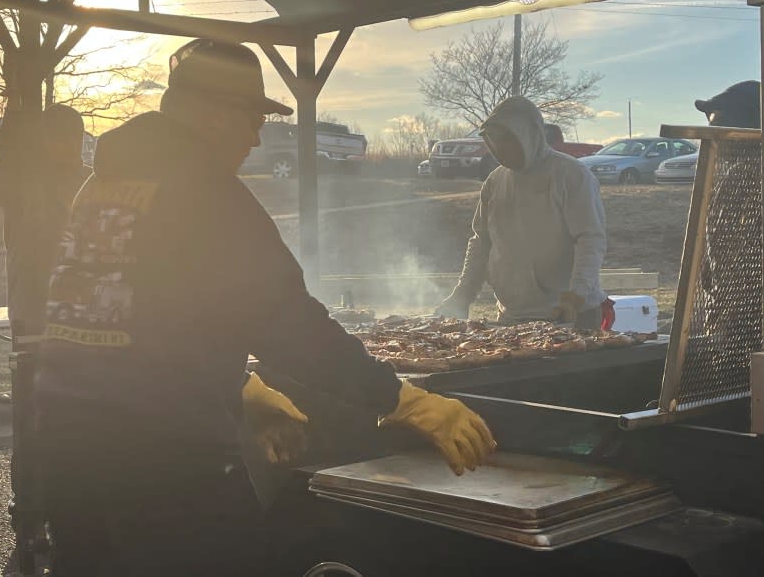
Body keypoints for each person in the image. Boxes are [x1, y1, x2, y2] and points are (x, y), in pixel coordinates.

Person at [34, 38, 496, 576]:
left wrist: (242, 389)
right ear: (209, 112)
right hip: (159, 462)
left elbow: (132, 309)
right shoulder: (205, 192)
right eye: (250, 117)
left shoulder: (104, 183)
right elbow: (287, 322)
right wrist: (401, 400)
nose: (257, 137)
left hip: (68, 448)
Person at [437, 96, 610, 329]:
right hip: (513, 317)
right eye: (493, 141)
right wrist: (462, 295)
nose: (499, 149)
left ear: (529, 135)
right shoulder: (495, 182)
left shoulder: (572, 175)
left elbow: (590, 239)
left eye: (507, 140)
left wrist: (576, 296)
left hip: (571, 316)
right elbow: (481, 243)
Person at [0, 103, 91, 339]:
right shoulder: (24, 186)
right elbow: (8, 151)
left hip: (84, 310)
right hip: (33, 311)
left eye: (74, 136)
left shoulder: (94, 181)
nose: (68, 144)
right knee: (31, 372)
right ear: (43, 141)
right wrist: (15, 107)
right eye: (59, 137)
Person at [695, 80, 761, 347]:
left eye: (718, 129)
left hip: (745, 327)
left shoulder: (745, 177)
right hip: (731, 320)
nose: (713, 140)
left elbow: (732, 261)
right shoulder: (732, 177)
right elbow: (715, 255)